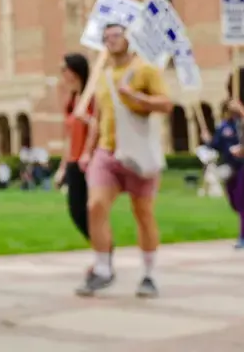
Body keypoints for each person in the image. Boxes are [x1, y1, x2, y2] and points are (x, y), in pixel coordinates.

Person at [76, 22, 173, 298]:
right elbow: (101, 118)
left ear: (129, 38)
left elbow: (166, 104)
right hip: (108, 153)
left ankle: (149, 274)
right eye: (106, 37)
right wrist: (88, 150)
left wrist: (136, 96)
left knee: (143, 214)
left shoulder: (144, 70)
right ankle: (103, 269)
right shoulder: (104, 76)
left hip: (139, 154)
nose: (111, 40)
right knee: (95, 206)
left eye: (116, 35)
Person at [54, 53, 95, 240]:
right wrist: (62, 168)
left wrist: (86, 118)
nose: (62, 74)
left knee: (90, 210)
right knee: (75, 211)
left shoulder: (92, 98)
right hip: (73, 161)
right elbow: (69, 139)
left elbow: (100, 125)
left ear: (75, 72)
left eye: (64, 69)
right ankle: (101, 246)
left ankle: (103, 249)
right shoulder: (72, 100)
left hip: (89, 161)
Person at [202, 74, 244, 248]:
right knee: (234, 201)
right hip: (230, 168)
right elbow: (216, 145)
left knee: (242, 201)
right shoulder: (225, 125)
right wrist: (207, 140)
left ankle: (242, 236)